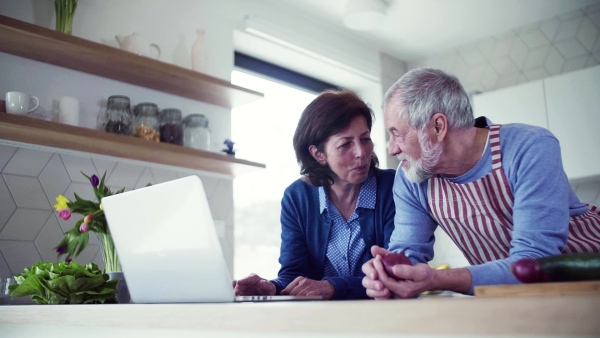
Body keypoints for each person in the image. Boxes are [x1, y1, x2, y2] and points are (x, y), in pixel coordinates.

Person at [362, 68, 600, 299]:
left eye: (398, 134)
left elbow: (534, 261)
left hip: (589, 286)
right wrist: (388, 274)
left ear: (438, 127)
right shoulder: (412, 176)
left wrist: (437, 279)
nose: (392, 149)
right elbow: (407, 251)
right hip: (511, 298)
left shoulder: (529, 147)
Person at [233, 89, 396, 300]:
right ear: (318, 154)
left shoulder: (391, 187)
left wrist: (332, 287)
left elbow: (397, 271)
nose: (361, 152)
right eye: (346, 144)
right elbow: (294, 273)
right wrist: (271, 288)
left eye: (365, 139)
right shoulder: (297, 197)